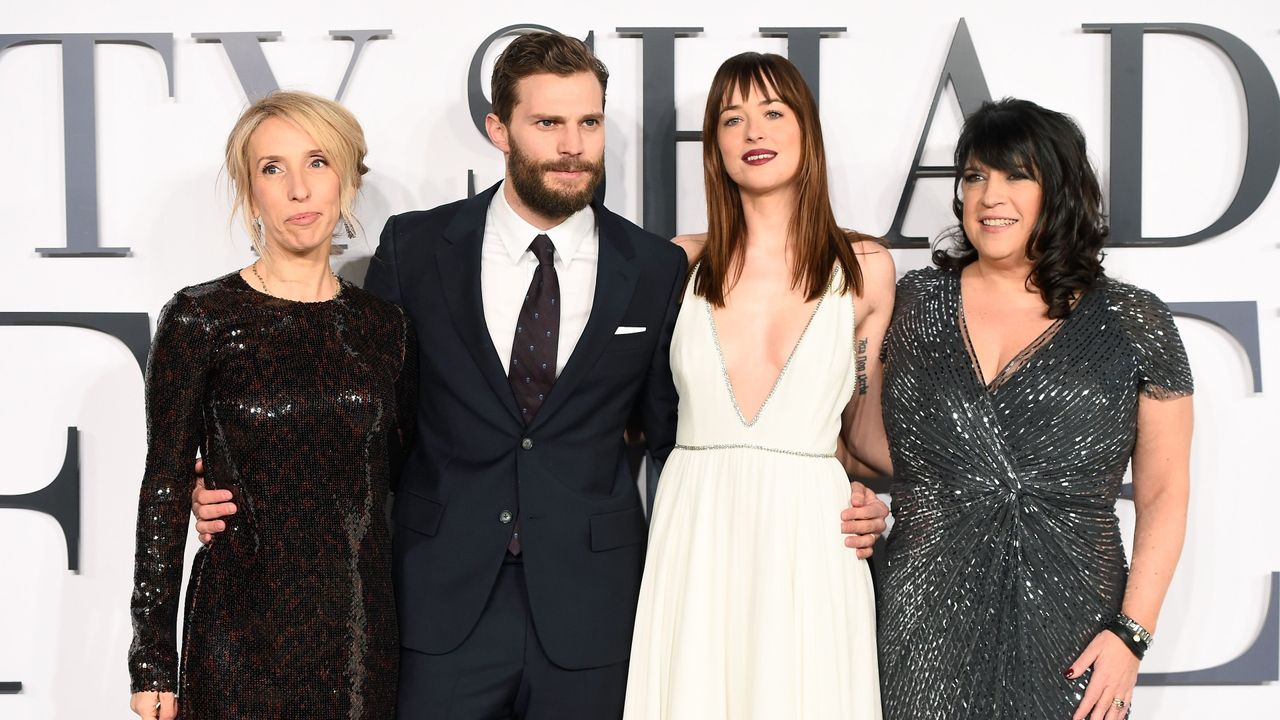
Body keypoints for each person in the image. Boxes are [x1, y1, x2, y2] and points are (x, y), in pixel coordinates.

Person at [192, 32, 891, 719]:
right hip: (441, 606)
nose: (571, 144)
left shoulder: (652, 267)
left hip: (593, 611)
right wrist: (246, 485)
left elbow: (681, 428)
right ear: (499, 129)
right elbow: (367, 417)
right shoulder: (417, 247)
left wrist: (840, 487)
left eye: (588, 123)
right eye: (548, 122)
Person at [877, 98, 1194, 720]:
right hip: (921, 622)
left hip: (1074, 631)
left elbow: (1164, 495)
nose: (990, 196)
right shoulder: (913, 304)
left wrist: (1132, 637)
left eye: (1016, 175)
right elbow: (861, 441)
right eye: (974, 176)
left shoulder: (1135, 322)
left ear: (1061, 190)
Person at [623, 52, 895, 720]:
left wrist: (883, 506)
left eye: (773, 112)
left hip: (811, 534)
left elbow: (864, 440)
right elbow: (623, 410)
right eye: (732, 118)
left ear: (807, 130)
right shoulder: (678, 261)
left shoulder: (863, 267)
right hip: (696, 528)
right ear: (714, 146)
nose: (753, 132)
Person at [127, 91, 416, 720]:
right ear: (248, 190)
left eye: (317, 162)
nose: (298, 190)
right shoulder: (200, 318)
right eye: (272, 168)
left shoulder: (385, 327)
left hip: (358, 637)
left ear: (345, 176)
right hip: (236, 636)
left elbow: (401, 477)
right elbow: (165, 488)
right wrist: (152, 662)